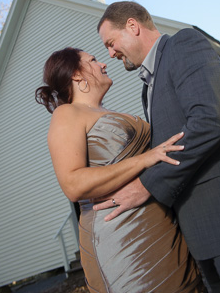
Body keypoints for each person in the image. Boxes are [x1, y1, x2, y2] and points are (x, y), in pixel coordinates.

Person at [96, 1, 220, 292]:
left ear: (132, 26)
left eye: (111, 43)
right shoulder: (147, 85)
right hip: (197, 230)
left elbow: (207, 121)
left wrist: (147, 185)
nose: (110, 54)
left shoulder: (183, 45)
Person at [35, 47, 204, 293]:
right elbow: (73, 184)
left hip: (162, 226)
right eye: (92, 60)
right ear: (76, 75)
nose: (103, 64)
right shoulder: (67, 113)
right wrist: (144, 159)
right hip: (121, 239)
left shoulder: (113, 113)